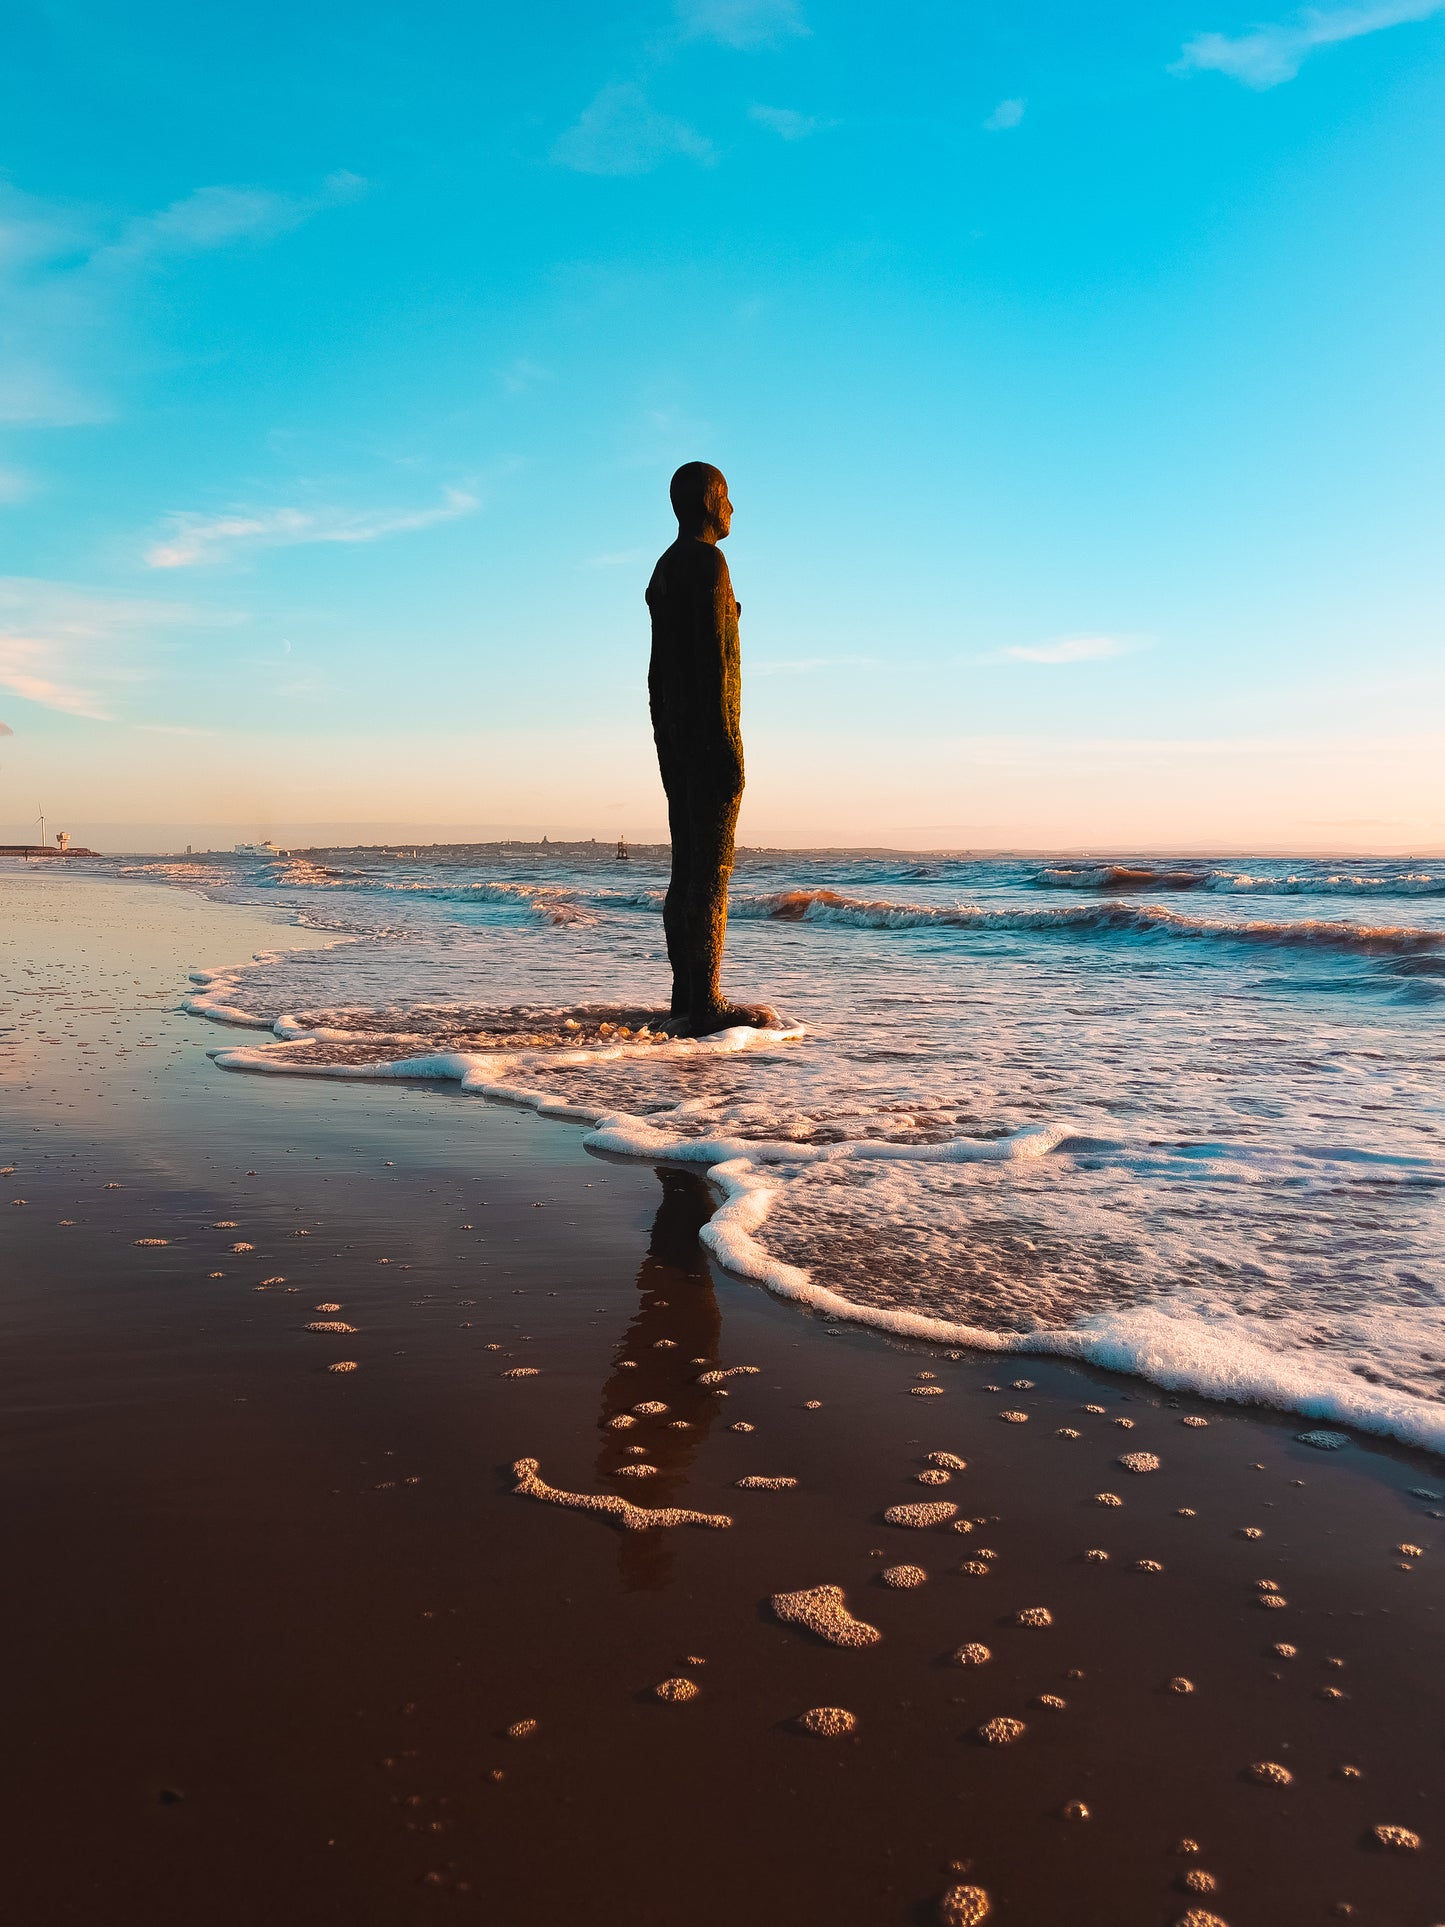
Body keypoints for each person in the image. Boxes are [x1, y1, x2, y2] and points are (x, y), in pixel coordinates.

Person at [646, 462, 778, 1035]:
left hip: (675, 736)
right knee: (711, 871)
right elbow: (717, 666)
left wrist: (665, 735)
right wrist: (728, 749)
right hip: (709, 737)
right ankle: (706, 1004)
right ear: (707, 501)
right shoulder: (707, 563)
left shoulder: (667, 568)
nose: (733, 509)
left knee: (687, 867)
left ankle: (685, 995)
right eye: (727, 497)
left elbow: (658, 671)